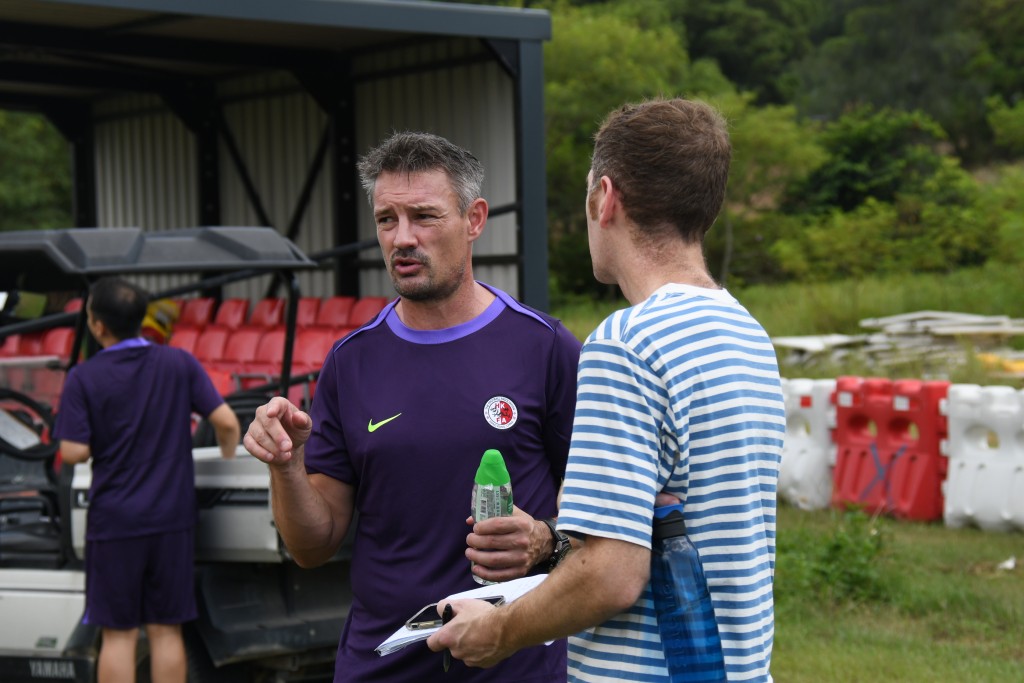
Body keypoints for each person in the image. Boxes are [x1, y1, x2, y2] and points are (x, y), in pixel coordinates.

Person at [426, 98, 786, 682]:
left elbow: (613, 575)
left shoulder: (627, 344)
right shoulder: (747, 333)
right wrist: (551, 544)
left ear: (605, 198)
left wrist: (498, 630)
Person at [243, 131, 582, 681]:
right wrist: (287, 467)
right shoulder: (350, 363)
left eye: (423, 216)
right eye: (386, 220)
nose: (402, 238)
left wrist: (546, 538)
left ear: (474, 220)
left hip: (513, 664)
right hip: (383, 665)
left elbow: (602, 515)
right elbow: (313, 546)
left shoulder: (544, 348)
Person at [54, 277, 241, 683]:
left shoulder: (84, 378)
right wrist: (228, 462)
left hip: (115, 522)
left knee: (118, 634)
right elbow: (226, 423)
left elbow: (72, 451)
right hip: (172, 520)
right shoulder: (179, 362)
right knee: (166, 629)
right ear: (141, 319)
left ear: (97, 325)